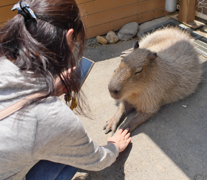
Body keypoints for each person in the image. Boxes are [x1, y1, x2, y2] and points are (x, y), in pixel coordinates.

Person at [0, 0, 131, 180]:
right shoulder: (52, 118)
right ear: (69, 37)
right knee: (71, 152)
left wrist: (49, 91)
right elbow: (97, 160)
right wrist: (114, 147)